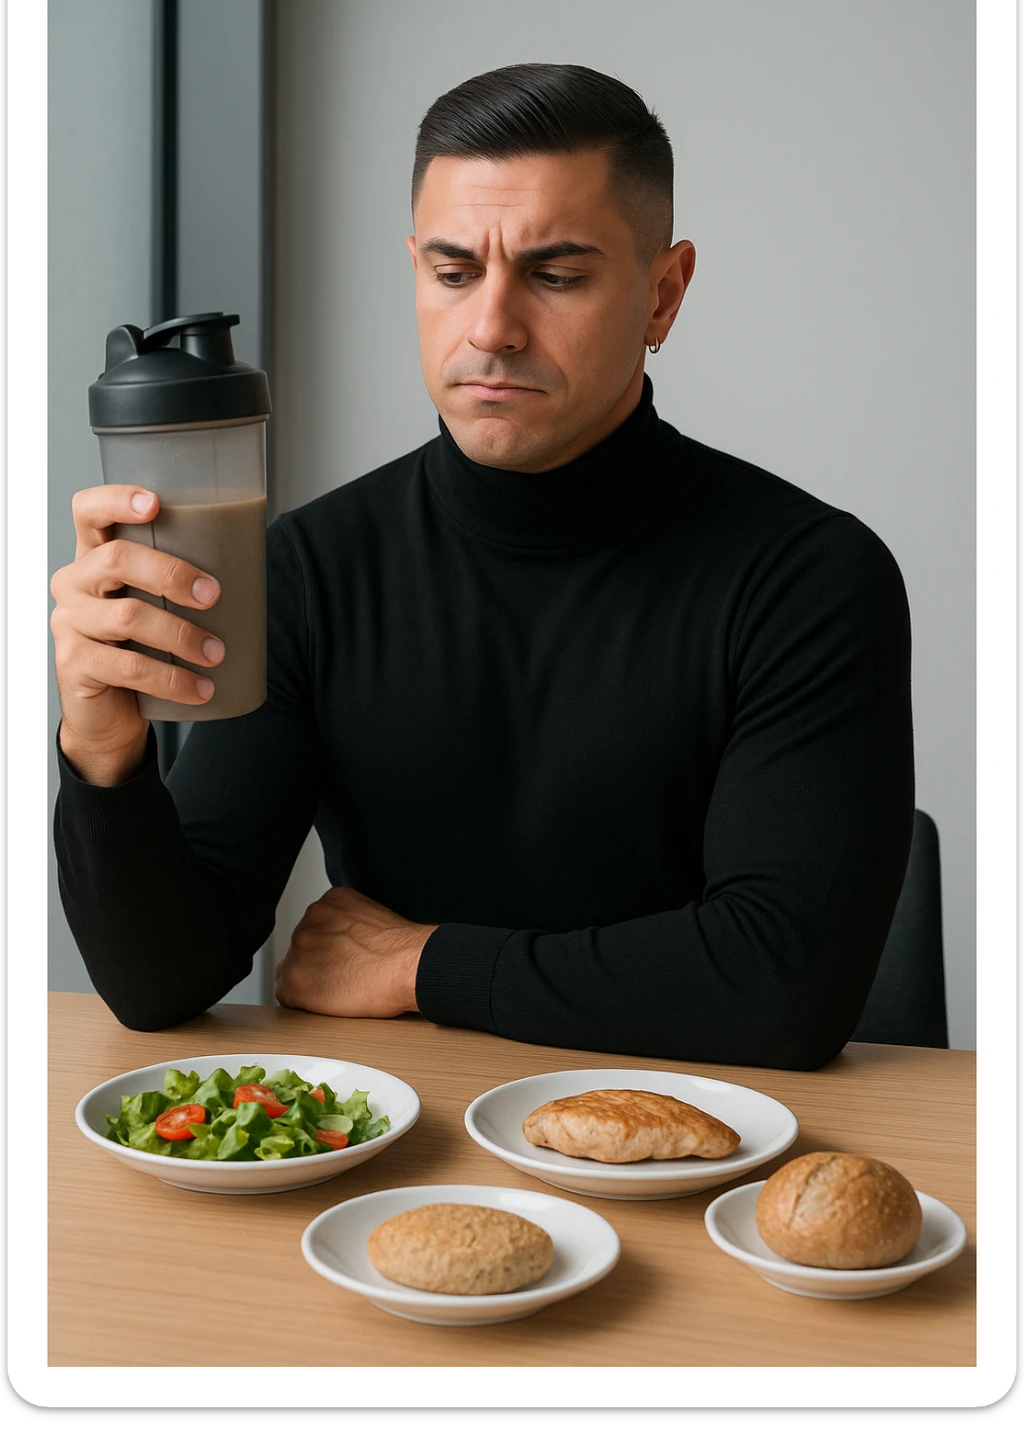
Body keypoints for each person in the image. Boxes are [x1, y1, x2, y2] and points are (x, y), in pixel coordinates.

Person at [50, 63, 914, 1069]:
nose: (491, 328)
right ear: (414, 272)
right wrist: (100, 754)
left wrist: (423, 964)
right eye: (454, 272)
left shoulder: (808, 579)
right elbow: (162, 982)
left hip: (711, 1151)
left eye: (555, 275)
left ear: (662, 295)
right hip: (399, 1155)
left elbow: (783, 990)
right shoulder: (307, 569)